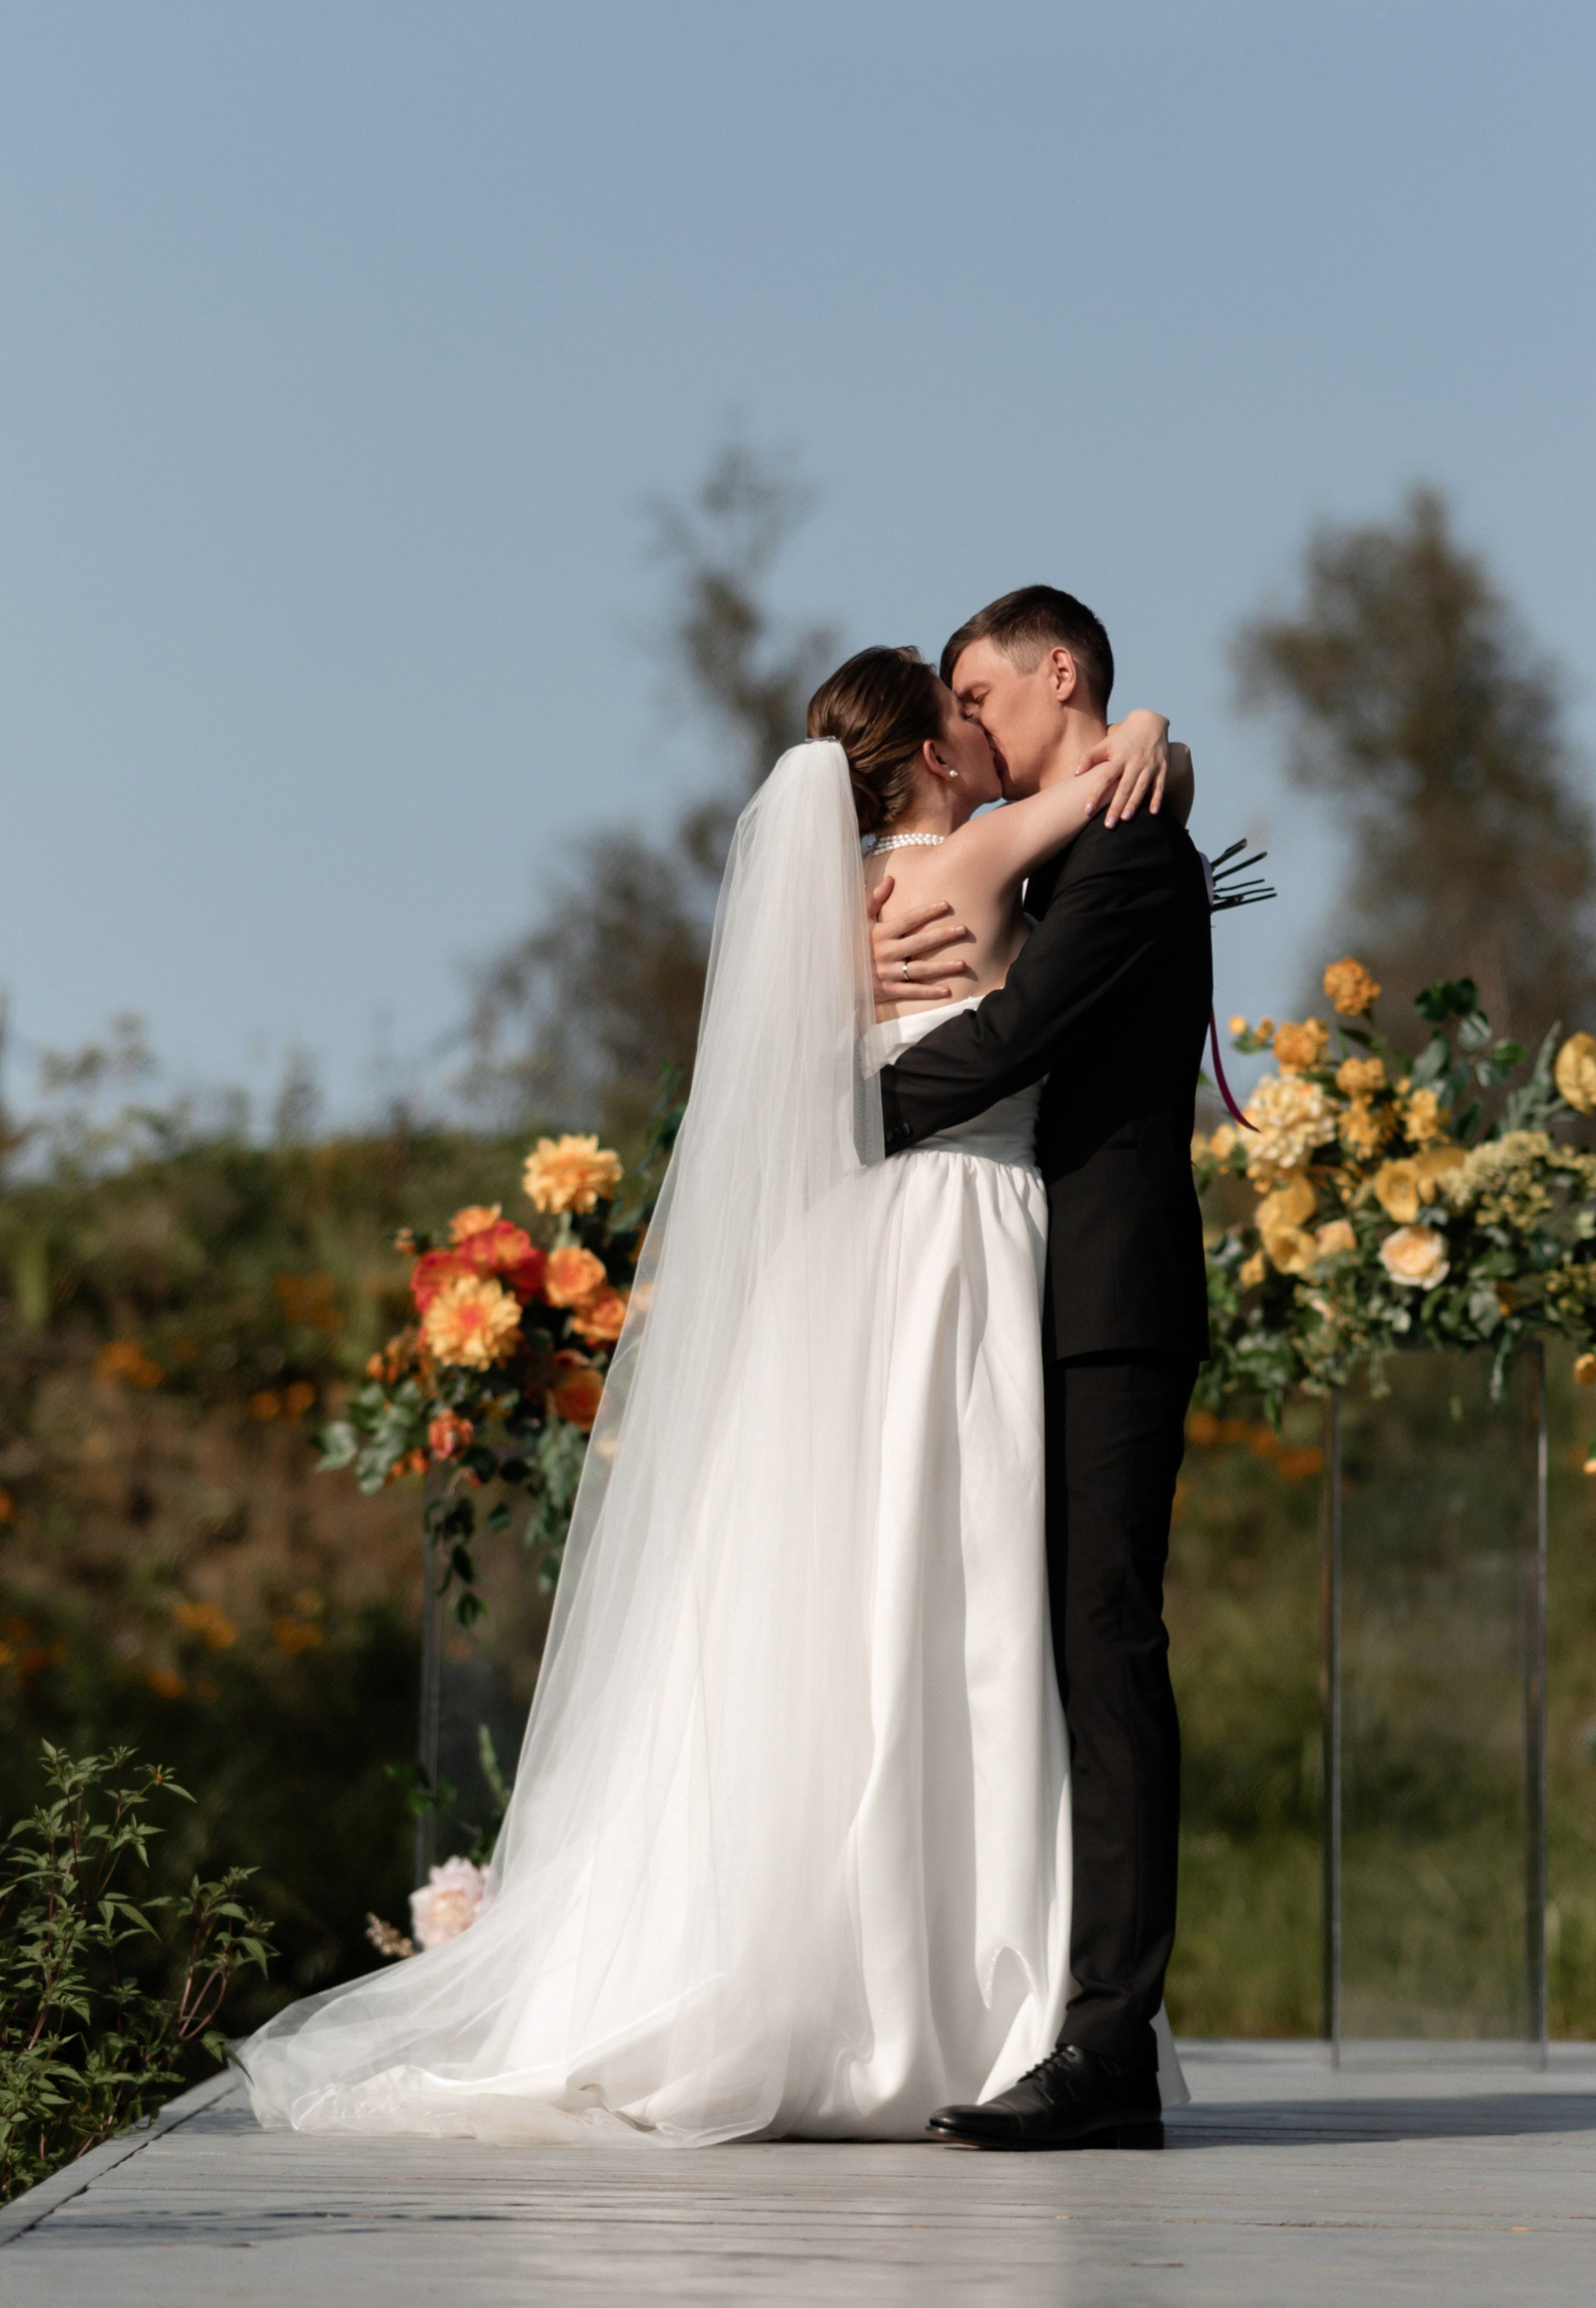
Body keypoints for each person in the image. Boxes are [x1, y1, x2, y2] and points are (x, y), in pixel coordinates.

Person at [234, 649, 1188, 2147]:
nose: (981, 728)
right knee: (961, 1595)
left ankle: (806, 1963)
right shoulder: (994, 846)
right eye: (961, 712)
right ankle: (952, 1991)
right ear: (935, 758)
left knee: (832, 1589)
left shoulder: (835, 905)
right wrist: (1145, 732)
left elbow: (781, 1064)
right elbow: (1111, 794)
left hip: (844, 1256)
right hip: (960, 1240)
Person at [869, 587, 1212, 2153]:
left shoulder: (1131, 852)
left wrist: (835, 1114)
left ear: (1057, 675)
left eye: (982, 694)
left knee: (1104, 1649)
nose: (968, 729)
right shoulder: (1097, 818)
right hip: (1033, 1294)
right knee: (1035, 1648)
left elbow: (1017, 1040)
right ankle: (1043, 2014)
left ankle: (1110, 2048)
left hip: (1110, 1304)